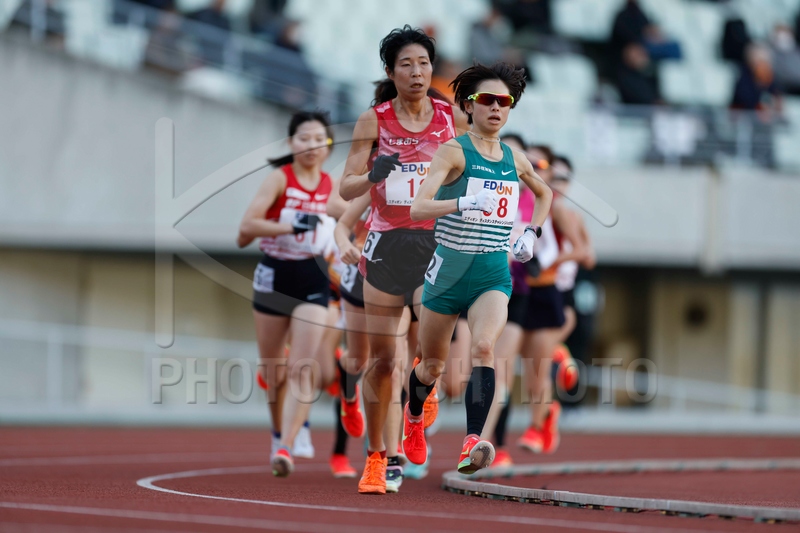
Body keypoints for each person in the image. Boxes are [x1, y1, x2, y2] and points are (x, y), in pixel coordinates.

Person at [336, 25, 469, 495]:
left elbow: (475, 166)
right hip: (387, 246)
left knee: (430, 355)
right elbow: (346, 187)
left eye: (424, 64)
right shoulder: (373, 120)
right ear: (390, 72)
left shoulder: (451, 117)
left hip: (436, 242)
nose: (416, 72)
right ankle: (376, 458)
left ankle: (418, 404)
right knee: (382, 362)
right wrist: (373, 173)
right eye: (406, 65)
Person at [404, 62, 553, 475]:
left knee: (484, 348)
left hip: (491, 273)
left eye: (504, 101)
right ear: (469, 106)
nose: (496, 107)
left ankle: (472, 442)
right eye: (486, 99)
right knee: (431, 366)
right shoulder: (453, 151)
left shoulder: (515, 158)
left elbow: (545, 194)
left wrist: (531, 233)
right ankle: (413, 417)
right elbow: (418, 207)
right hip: (448, 271)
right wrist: (462, 203)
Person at [237, 110, 337, 478]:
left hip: (313, 279)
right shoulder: (280, 179)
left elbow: (357, 215)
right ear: (290, 143)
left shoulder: (330, 185)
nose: (311, 145)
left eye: (319, 139)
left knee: (302, 366)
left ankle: (286, 445)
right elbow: (245, 230)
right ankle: (279, 431)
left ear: (328, 146)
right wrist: (290, 225)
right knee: (273, 370)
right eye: (304, 138)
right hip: (274, 277)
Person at [515, 145, 588, 455]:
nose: (534, 169)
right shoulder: (516, 200)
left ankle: (535, 426)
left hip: (547, 291)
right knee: (527, 364)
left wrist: (549, 264)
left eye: (541, 165)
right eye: (529, 163)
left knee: (537, 370)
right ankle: (546, 414)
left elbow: (585, 253)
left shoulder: (557, 208)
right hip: (518, 289)